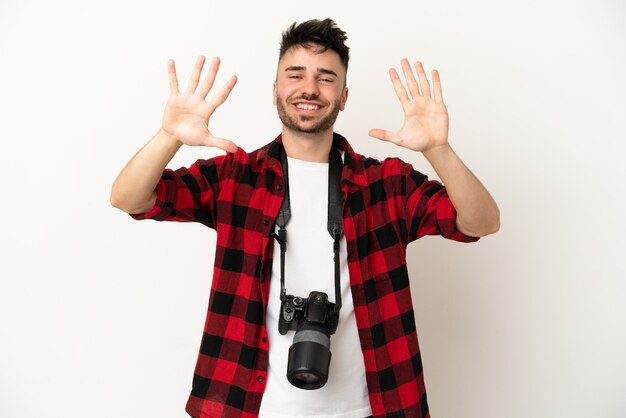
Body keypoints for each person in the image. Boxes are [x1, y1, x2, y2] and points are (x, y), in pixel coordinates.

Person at [110, 18, 499, 418]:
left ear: (344, 96)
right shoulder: (236, 177)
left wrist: (438, 149)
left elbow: (481, 222)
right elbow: (130, 199)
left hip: (370, 409)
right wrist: (168, 136)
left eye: (326, 78)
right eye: (295, 75)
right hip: (253, 408)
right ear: (275, 90)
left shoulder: (386, 183)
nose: (309, 88)